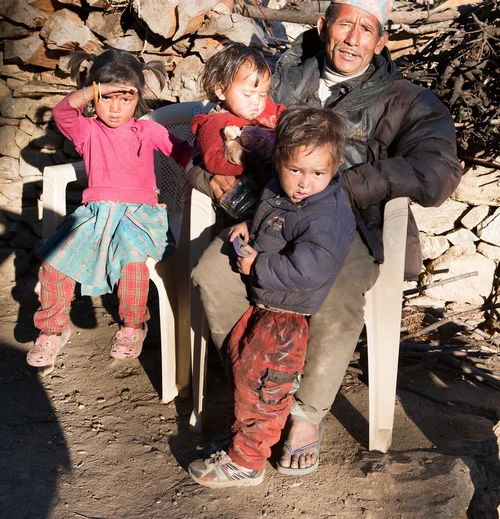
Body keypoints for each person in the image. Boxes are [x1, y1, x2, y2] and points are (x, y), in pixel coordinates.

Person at [189, 0, 462, 475]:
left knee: (336, 295)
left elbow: (437, 170)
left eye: (367, 29)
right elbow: (206, 129)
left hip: (347, 225)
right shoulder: (278, 77)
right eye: (345, 24)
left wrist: (345, 187)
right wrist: (208, 179)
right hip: (268, 212)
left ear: (381, 41)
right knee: (212, 274)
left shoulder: (408, 102)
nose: (353, 38)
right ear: (323, 26)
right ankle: (262, 383)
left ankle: (306, 415)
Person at [188, 106, 355, 488]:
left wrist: (258, 266)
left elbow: (308, 269)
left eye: (317, 173)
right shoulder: (280, 192)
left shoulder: (325, 217)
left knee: (263, 382)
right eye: (295, 169)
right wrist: (250, 224)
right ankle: (246, 438)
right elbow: (273, 213)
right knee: (249, 373)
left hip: (286, 318)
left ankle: (247, 462)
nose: (303, 182)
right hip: (268, 306)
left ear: (336, 166)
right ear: (279, 158)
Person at [27, 49, 193, 369]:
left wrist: (196, 173)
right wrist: (93, 89)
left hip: (138, 217)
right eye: (107, 98)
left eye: (125, 98)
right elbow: (62, 112)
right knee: (54, 261)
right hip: (96, 215)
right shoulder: (87, 131)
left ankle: (132, 326)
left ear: (138, 96)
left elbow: (183, 152)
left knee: (131, 262)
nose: (115, 108)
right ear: (94, 97)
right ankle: (52, 329)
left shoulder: (147, 131)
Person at [192, 42, 286, 178]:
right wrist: (253, 159)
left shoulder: (268, 108)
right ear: (221, 90)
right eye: (248, 94)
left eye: (263, 94)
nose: (257, 101)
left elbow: (286, 117)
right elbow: (213, 161)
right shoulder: (214, 123)